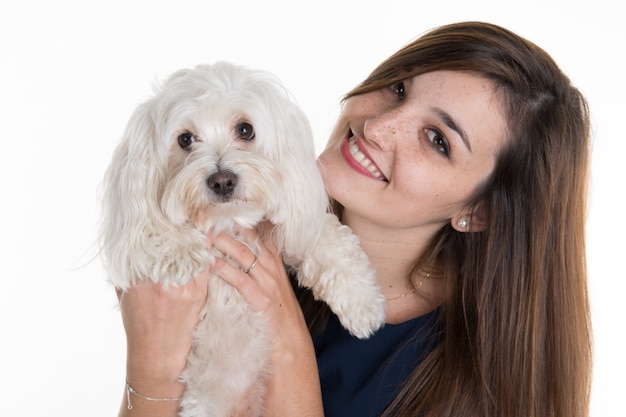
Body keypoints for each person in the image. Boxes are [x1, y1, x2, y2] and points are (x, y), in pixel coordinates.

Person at [116, 21, 592, 417]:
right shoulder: (236, 238)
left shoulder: (478, 382)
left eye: (438, 139)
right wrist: (151, 372)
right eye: (398, 88)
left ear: (478, 210)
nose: (378, 127)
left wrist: (288, 349)